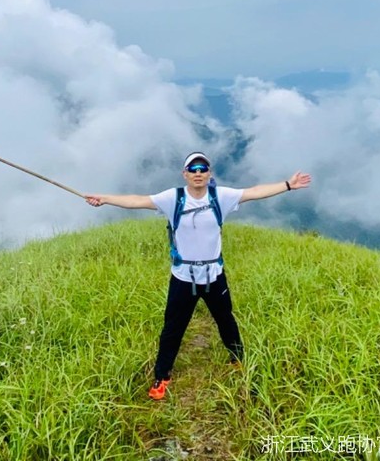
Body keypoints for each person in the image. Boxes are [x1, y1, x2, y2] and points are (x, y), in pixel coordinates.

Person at [85, 152, 312, 400]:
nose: (198, 173)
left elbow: (254, 192)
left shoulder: (220, 196)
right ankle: (162, 376)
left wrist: (288, 185)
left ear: (209, 173)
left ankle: (238, 361)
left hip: (214, 275)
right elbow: (138, 200)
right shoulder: (173, 198)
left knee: (226, 320)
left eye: (202, 168)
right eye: (192, 169)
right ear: (185, 174)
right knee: (173, 328)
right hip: (183, 277)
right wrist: (104, 199)